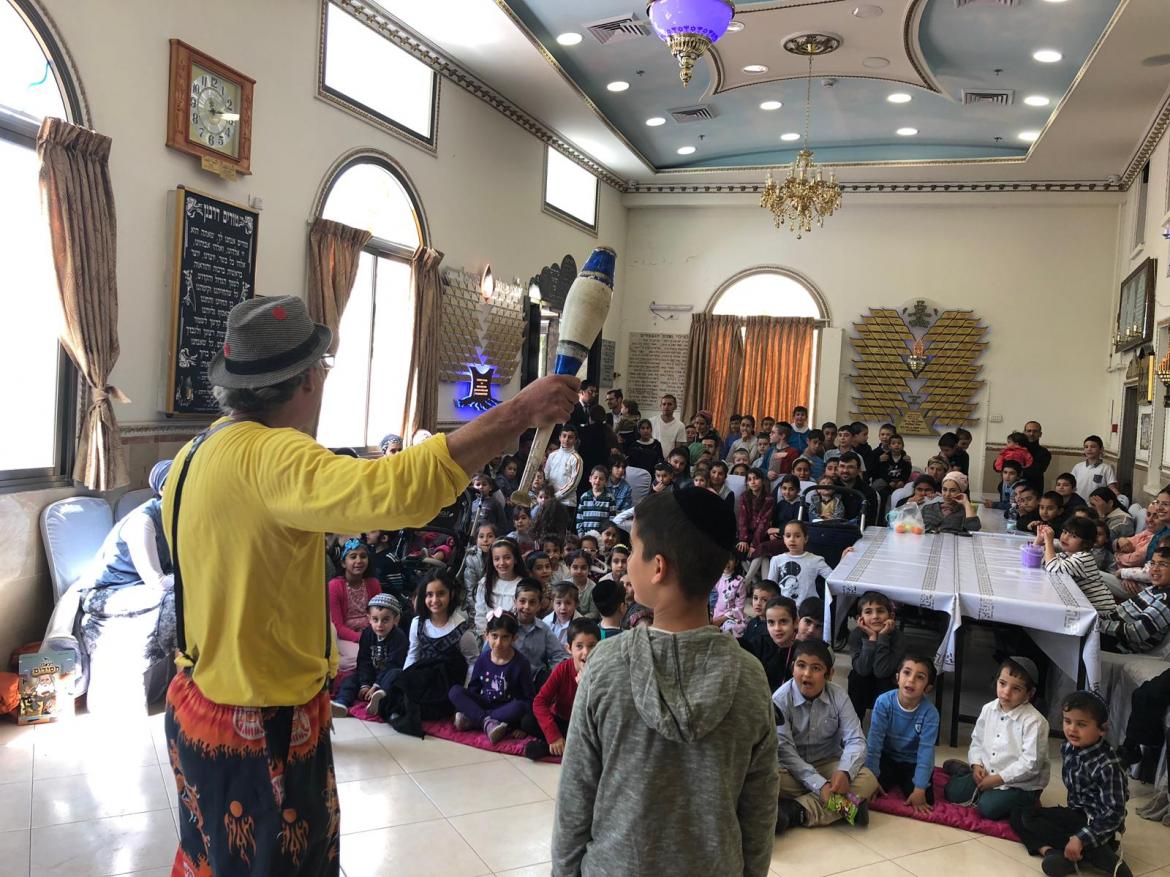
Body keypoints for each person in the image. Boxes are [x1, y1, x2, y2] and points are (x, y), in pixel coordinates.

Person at [161, 295, 577, 875]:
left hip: (197, 701)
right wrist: (517, 413)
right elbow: (398, 489)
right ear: (310, 378)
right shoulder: (271, 456)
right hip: (258, 722)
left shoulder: (196, 451)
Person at [552, 488, 779, 875]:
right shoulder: (749, 675)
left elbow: (576, 793)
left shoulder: (606, 664)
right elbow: (759, 810)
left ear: (658, 567)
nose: (627, 562)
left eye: (633, 549)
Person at [79, 458, 176, 714]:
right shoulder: (143, 521)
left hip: (140, 588)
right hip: (109, 593)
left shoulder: (179, 518)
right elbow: (157, 581)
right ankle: (181, 689)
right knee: (178, 600)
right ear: (163, 489)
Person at [1010, 691, 1132, 877]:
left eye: (1081, 724)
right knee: (1018, 814)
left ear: (1102, 729)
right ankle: (1053, 852)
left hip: (1097, 824)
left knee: (1029, 818)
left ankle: (1091, 850)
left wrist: (1081, 838)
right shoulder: (1068, 748)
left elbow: (1113, 815)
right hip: (1076, 815)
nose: (1072, 729)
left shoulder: (1108, 765)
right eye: (1067, 721)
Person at [774, 639, 879, 830]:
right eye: (801, 665)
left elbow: (856, 740)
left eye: (816, 668)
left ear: (830, 674)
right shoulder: (780, 699)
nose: (807, 674)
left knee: (868, 779)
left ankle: (794, 812)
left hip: (828, 763)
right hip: (792, 770)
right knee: (768, 780)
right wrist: (820, 785)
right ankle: (848, 808)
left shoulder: (838, 696)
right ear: (792, 668)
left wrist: (845, 772)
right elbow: (785, 752)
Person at [942, 658, 1050, 819]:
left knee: (988, 808)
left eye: (1016, 689)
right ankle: (966, 770)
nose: (1006, 692)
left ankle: (1030, 799)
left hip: (1019, 784)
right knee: (952, 792)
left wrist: (999, 779)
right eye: (1002, 683)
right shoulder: (988, 709)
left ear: (1030, 693)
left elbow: (1031, 764)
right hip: (987, 773)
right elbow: (977, 741)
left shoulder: (1035, 722)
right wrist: (976, 764)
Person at [866, 655, 940, 813]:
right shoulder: (883, 702)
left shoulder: (931, 714)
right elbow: (874, 743)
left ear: (928, 688)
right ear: (897, 677)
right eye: (907, 672)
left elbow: (926, 752)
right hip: (886, 757)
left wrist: (919, 788)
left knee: (925, 797)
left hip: (912, 761)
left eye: (920, 677)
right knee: (866, 786)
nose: (911, 680)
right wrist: (871, 777)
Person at [450, 610, 534, 743]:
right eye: (494, 636)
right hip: (485, 703)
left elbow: (529, 698)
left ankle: (475, 720)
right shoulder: (483, 659)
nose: (499, 642)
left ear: (514, 638)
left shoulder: (521, 663)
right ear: (486, 635)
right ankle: (487, 722)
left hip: (506, 709)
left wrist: (520, 726)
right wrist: (469, 705)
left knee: (519, 706)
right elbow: (473, 688)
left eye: (505, 637)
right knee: (455, 691)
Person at [522, 618, 601, 760]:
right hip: (563, 722)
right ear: (569, 649)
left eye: (592, 646)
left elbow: (601, 712)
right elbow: (539, 702)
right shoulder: (562, 669)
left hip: (587, 726)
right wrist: (553, 735)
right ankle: (562, 745)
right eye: (579, 646)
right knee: (528, 721)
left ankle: (551, 749)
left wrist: (585, 687)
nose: (586, 652)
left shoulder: (603, 672)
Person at [330, 593, 407, 718]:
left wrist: (376, 686)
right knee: (350, 680)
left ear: (396, 620)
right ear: (369, 619)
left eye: (385, 620)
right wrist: (364, 684)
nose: (380, 624)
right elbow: (364, 660)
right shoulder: (367, 634)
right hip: (371, 674)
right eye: (375, 619)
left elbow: (393, 663)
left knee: (396, 674)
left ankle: (379, 697)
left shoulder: (399, 637)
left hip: (387, 675)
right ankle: (342, 703)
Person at [1098, 545, 1170, 652]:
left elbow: (1135, 632)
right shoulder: (1152, 588)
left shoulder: (1166, 600)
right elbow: (1119, 612)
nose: (1155, 568)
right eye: (1153, 563)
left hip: (1119, 644)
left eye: (1163, 564)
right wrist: (1097, 615)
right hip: (1111, 631)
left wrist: (1097, 624)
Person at [846, 591, 906, 720]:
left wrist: (883, 637)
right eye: (868, 612)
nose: (875, 616)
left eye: (880, 611)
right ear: (860, 619)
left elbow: (882, 671)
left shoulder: (898, 638)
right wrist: (872, 638)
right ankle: (854, 724)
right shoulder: (856, 635)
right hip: (864, 684)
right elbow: (862, 669)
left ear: (891, 616)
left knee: (889, 680)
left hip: (886, 682)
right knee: (856, 677)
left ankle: (884, 724)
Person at [1037, 517, 1115, 613]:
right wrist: (1039, 541)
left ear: (1086, 543)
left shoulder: (1084, 558)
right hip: (1086, 607)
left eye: (1073, 536)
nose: (1065, 537)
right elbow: (1039, 560)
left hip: (1101, 612)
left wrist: (1049, 542)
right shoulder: (1067, 554)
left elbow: (1053, 567)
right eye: (1065, 532)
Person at [327, 539, 381, 673]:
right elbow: (338, 626)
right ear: (343, 563)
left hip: (372, 634)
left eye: (363, 556)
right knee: (361, 658)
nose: (359, 560)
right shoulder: (334, 586)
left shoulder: (373, 583)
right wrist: (362, 639)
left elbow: (379, 615)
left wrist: (373, 636)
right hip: (344, 637)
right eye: (353, 557)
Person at [512, 579, 568, 687]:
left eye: (532, 602)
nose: (527, 606)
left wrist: (552, 675)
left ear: (539, 605)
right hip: (510, 677)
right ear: (515, 601)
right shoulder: (506, 625)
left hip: (536, 679)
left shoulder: (544, 629)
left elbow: (558, 654)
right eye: (522, 601)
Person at [766, 520, 834, 604]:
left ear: (805, 539)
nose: (792, 539)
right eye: (788, 536)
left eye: (797, 536)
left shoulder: (815, 560)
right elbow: (770, 587)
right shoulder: (776, 560)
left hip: (808, 607)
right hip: (784, 607)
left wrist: (842, 561)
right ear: (784, 539)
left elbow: (833, 578)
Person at [741, 594, 799, 691]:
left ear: (796, 622)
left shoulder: (801, 651)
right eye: (771, 622)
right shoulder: (758, 644)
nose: (777, 628)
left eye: (783, 621)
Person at [475, 538, 525, 634]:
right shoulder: (485, 583)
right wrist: (486, 636)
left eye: (507, 558)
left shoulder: (523, 585)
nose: (502, 563)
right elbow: (480, 614)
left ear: (515, 559)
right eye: (497, 559)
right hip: (490, 636)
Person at [737, 468, 775, 557]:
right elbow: (742, 519)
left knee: (757, 553)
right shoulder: (744, 496)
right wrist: (743, 539)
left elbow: (764, 522)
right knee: (740, 550)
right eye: (749, 479)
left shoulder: (769, 499)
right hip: (746, 533)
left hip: (762, 535)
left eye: (756, 478)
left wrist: (754, 544)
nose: (753, 482)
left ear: (762, 480)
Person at [1071, 435, 1119, 502]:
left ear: (1101, 449)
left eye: (1093, 446)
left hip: (1096, 504)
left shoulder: (1106, 468)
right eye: (1086, 447)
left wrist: (1119, 497)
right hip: (1078, 503)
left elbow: (1112, 488)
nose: (1089, 449)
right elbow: (1071, 485)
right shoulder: (1078, 467)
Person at [545, 426, 584, 508]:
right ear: (560, 437)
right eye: (564, 436)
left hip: (567, 502)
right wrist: (547, 495)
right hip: (549, 500)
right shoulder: (552, 455)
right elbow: (546, 475)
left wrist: (556, 496)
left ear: (575, 440)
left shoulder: (576, 459)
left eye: (570, 437)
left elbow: (573, 483)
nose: (566, 440)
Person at [711, 554, 749, 637]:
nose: (726, 562)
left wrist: (721, 619)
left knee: (729, 629)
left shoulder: (739, 582)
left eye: (730, 559)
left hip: (729, 618)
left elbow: (739, 608)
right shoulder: (714, 578)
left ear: (736, 562)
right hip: (712, 616)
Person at [576, 464, 617, 535]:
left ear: (606, 482)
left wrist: (607, 535)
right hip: (586, 536)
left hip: (602, 536)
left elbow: (612, 520)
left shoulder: (610, 498)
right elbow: (579, 518)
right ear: (590, 479)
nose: (597, 480)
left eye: (601, 479)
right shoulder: (584, 497)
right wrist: (581, 534)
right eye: (595, 478)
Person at [741, 579, 781, 649]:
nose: (758, 603)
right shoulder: (752, 622)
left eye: (764, 600)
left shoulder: (772, 628)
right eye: (755, 598)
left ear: (775, 602)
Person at [543, 581, 581, 646]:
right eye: (558, 603)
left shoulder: (581, 625)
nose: (563, 607)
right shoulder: (546, 622)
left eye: (568, 603)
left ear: (576, 604)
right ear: (553, 603)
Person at [1022, 421, 1053, 489]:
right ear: (1024, 433)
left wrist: (1017, 471)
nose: (1031, 434)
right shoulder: (1016, 449)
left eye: (1035, 431)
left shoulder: (1044, 452)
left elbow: (1035, 473)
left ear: (1040, 434)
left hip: (1034, 489)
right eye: (1029, 431)